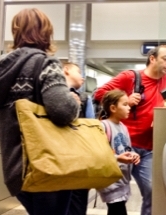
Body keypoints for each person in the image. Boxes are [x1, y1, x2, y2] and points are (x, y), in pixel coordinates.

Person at [0, 8, 80, 215]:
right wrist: (75, 101)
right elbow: (62, 111)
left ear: (16, 32)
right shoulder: (46, 64)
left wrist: (4, 120)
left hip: (15, 170)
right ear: (46, 32)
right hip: (49, 165)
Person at [93, 46, 166, 215]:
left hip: (150, 147)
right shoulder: (130, 77)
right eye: (165, 58)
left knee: (152, 191)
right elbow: (99, 94)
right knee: (117, 196)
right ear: (152, 59)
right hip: (125, 145)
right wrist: (126, 100)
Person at [98, 89, 140, 215]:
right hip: (111, 183)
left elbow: (127, 148)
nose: (129, 108)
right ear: (113, 108)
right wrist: (117, 158)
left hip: (122, 181)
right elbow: (100, 153)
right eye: (125, 104)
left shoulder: (123, 127)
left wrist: (134, 154)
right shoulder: (103, 126)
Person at [62, 62, 95, 215]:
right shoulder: (47, 94)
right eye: (78, 71)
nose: (82, 76)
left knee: (77, 205)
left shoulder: (84, 99)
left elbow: (91, 130)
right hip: (56, 158)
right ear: (66, 70)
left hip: (78, 159)